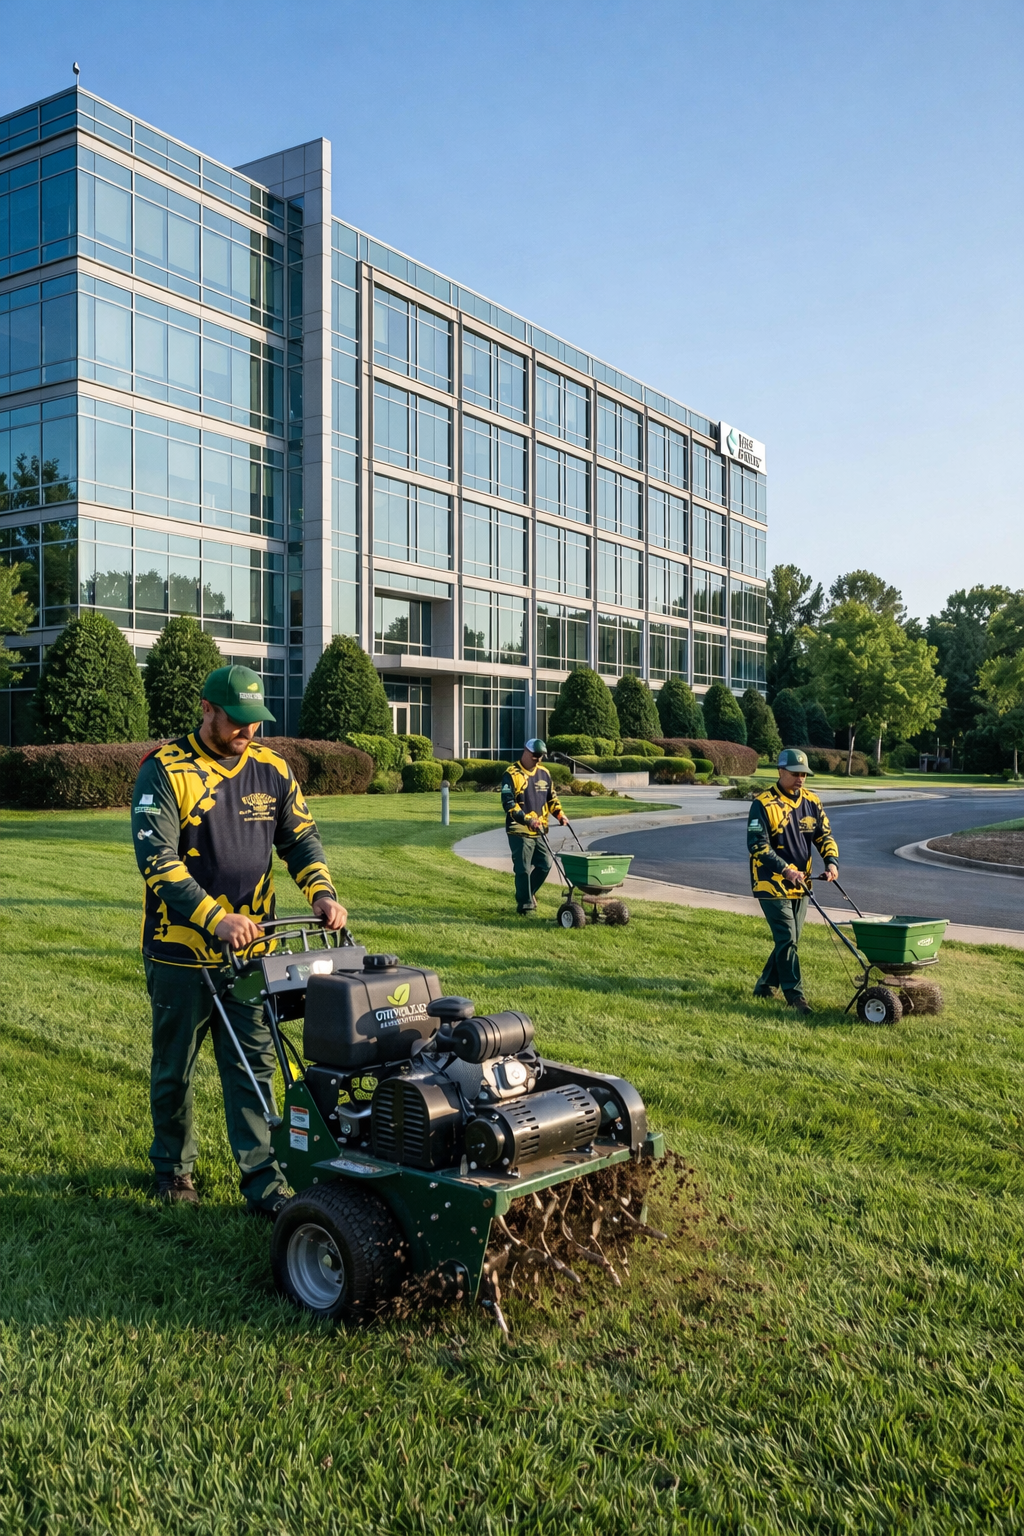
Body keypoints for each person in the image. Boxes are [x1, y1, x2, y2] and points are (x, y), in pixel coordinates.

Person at [131, 665, 347, 1213]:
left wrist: (321, 893)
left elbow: (300, 839)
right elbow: (156, 861)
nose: (247, 732)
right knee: (174, 1068)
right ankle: (174, 1170)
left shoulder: (272, 769)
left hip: (253, 957)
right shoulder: (164, 770)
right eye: (237, 721)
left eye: (256, 721)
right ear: (208, 708)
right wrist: (215, 917)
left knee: (254, 1067)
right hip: (181, 953)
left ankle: (262, 1181)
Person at [746, 747, 839, 1015]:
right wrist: (786, 870)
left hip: (802, 883)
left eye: (804, 774)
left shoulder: (811, 801)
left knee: (791, 938)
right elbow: (758, 846)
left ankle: (764, 985)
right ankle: (795, 996)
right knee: (787, 936)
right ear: (781, 771)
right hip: (770, 883)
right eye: (796, 773)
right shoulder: (762, 804)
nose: (801, 778)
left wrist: (831, 862)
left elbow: (824, 836)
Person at [499, 739, 569, 915]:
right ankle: (525, 906)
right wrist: (527, 820)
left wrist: (560, 814)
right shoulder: (511, 774)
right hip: (519, 830)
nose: (538, 759)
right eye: (535, 755)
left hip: (540, 830)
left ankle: (527, 894)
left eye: (541, 756)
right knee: (522, 868)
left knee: (545, 864)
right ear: (525, 751)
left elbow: (552, 798)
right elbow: (508, 803)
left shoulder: (544, 774)